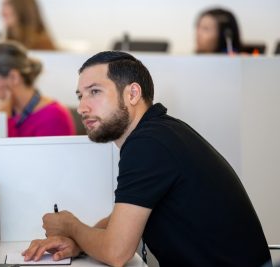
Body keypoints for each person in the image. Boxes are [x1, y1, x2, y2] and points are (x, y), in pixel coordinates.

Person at [22, 51, 272, 266]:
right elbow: (124, 217)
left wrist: (71, 226)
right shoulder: (159, 132)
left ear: (132, 94)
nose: (82, 107)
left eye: (94, 92)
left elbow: (116, 252)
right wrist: (79, 242)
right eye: (80, 96)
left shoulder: (148, 144)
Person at [0, 41, 75, 137]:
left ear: (13, 77)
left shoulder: (54, 117)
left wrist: (5, 122)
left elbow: (11, 154)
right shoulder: (7, 111)